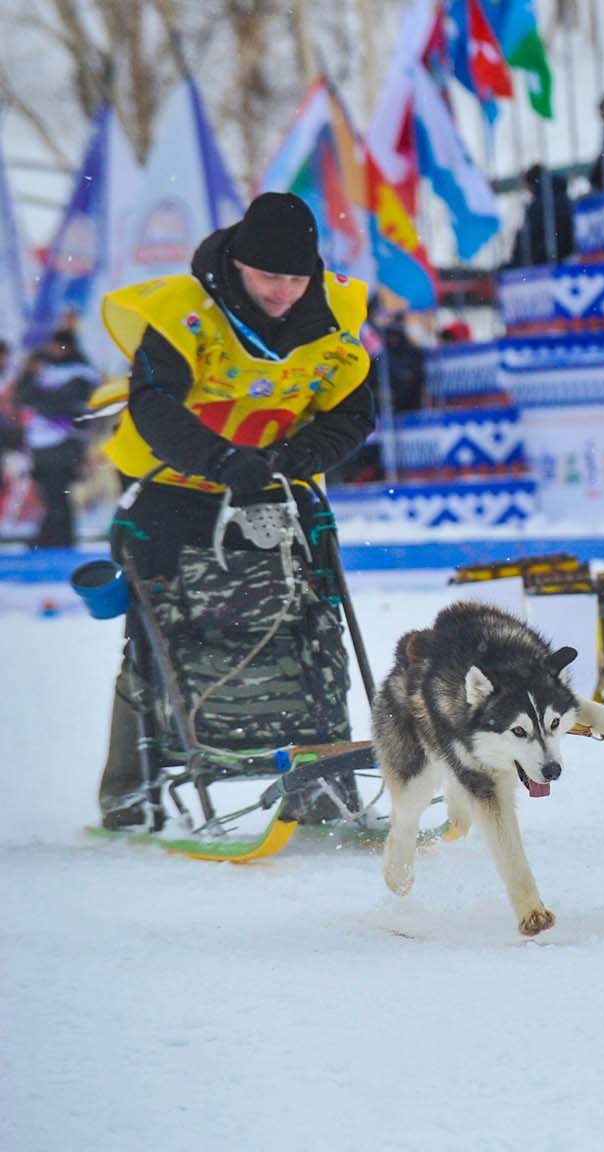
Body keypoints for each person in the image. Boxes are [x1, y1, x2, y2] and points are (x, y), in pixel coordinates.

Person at [94, 191, 375, 828]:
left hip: (277, 488)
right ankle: (130, 791)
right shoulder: (184, 311)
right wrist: (222, 461)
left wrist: (295, 457)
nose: (283, 291)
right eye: (269, 276)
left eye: (296, 279)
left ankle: (323, 785)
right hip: (175, 489)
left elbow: (354, 414)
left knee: (312, 624)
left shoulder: (334, 313)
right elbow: (154, 405)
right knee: (153, 636)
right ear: (238, 264)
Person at [15, 328, 98, 547]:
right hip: (39, 442)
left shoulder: (80, 372)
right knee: (47, 493)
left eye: (60, 346)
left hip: (65, 441)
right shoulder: (42, 369)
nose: (55, 350)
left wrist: (38, 399)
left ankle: (60, 538)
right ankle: (51, 535)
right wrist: (30, 373)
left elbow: (60, 404)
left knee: (59, 492)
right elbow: (21, 397)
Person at [511, 164, 575, 267]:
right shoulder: (566, 199)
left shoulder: (538, 205)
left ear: (531, 184)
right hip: (568, 257)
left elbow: (528, 239)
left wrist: (517, 260)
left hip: (542, 261)